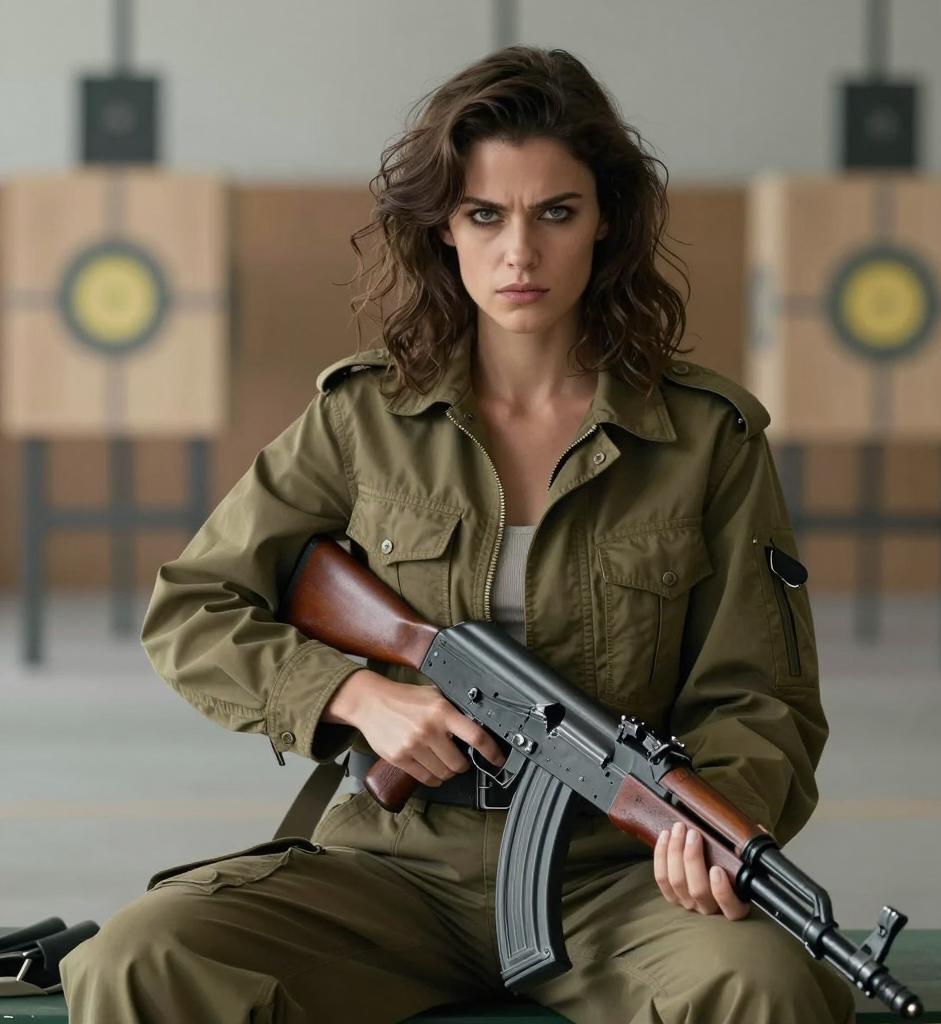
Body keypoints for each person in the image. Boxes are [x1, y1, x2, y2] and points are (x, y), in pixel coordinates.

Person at [60, 46, 856, 1024]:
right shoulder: (365, 418)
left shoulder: (704, 440)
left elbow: (761, 694)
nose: (520, 253)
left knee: (764, 990)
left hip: (619, 880)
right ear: (443, 224)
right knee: (137, 959)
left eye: (555, 213)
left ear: (605, 220)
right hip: (391, 867)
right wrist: (357, 697)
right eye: (485, 215)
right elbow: (193, 605)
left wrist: (716, 820)